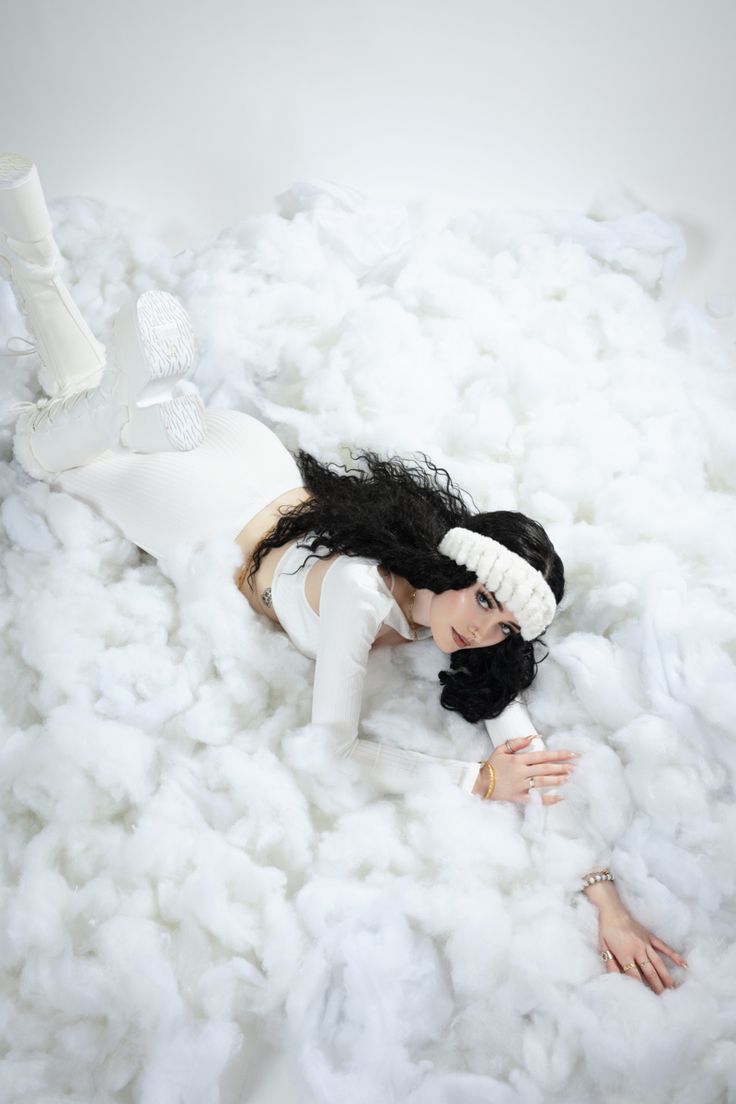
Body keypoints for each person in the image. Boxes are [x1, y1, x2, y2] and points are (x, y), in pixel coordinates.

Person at [0, 153, 689, 993]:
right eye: (485, 605)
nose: (484, 632)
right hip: (203, 507)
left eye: (505, 626)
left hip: (253, 458)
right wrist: (474, 778)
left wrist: (604, 899)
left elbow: (529, 754)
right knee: (52, 455)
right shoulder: (366, 596)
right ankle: (120, 413)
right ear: (460, 569)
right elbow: (333, 746)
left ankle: (28, 217)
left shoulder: (443, 602)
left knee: (79, 395)